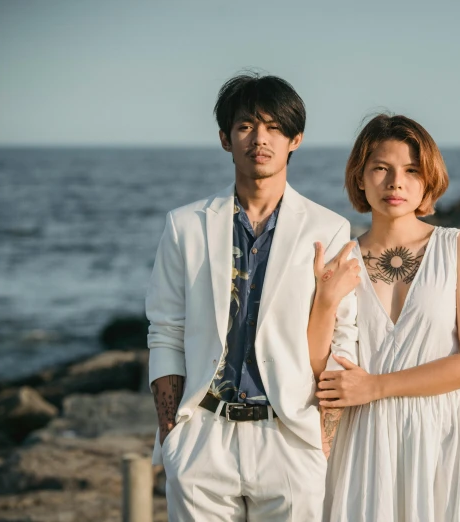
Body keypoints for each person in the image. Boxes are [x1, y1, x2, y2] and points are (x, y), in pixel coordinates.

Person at [146, 73, 358, 521]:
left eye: (274, 127)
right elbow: (165, 329)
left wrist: (323, 434)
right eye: (245, 126)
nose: (260, 138)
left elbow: (343, 340)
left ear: (294, 139)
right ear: (225, 138)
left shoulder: (329, 229)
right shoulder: (184, 225)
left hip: (288, 435)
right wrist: (171, 430)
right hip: (204, 434)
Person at [312, 114, 460, 522]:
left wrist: (377, 386)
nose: (396, 182)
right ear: (360, 177)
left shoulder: (458, 248)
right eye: (381, 168)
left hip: (445, 431)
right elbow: (318, 363)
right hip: (363, 436)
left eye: (412, 170)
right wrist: (324, 301)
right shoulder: (342, 258)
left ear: (428, 181)